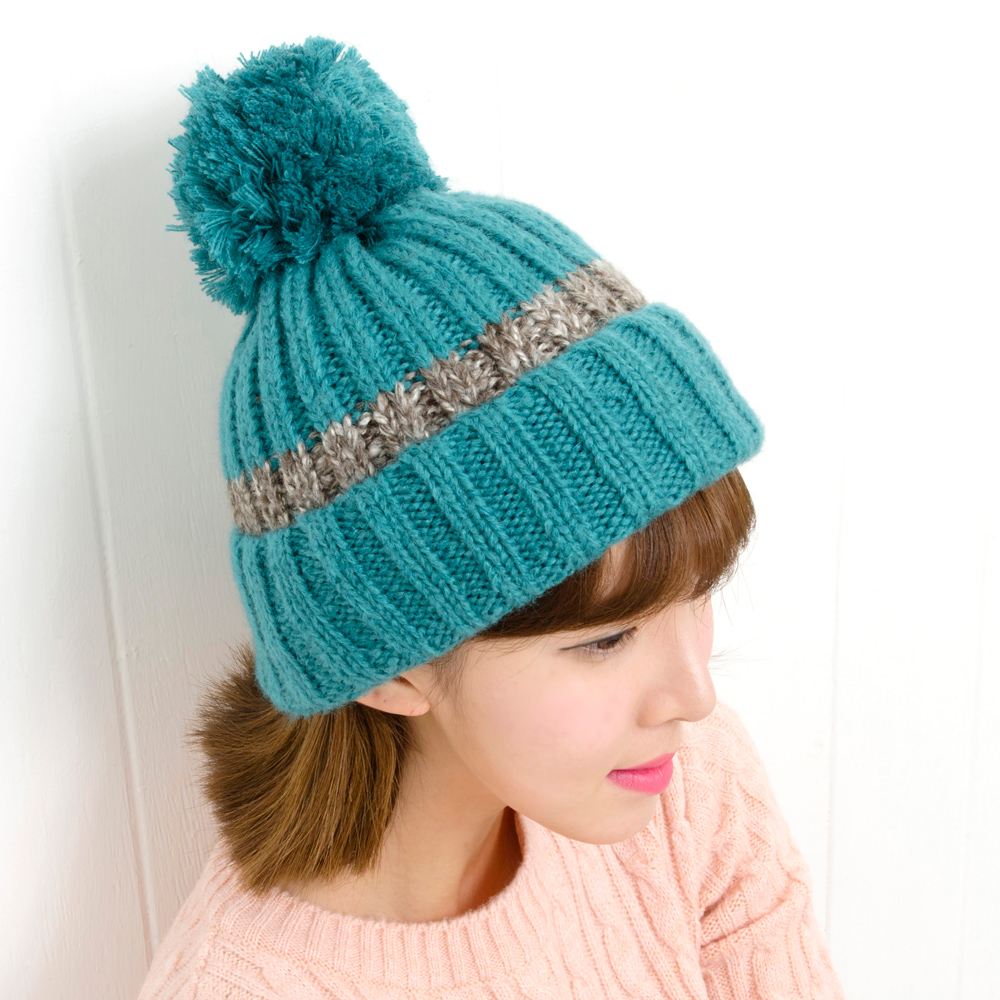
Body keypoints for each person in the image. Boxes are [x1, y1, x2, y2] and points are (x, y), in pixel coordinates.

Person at [138, 35, 845, 999]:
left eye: (699, 593)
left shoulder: (688, 789)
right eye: (607, 640)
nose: (694, 698)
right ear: (389, 665)